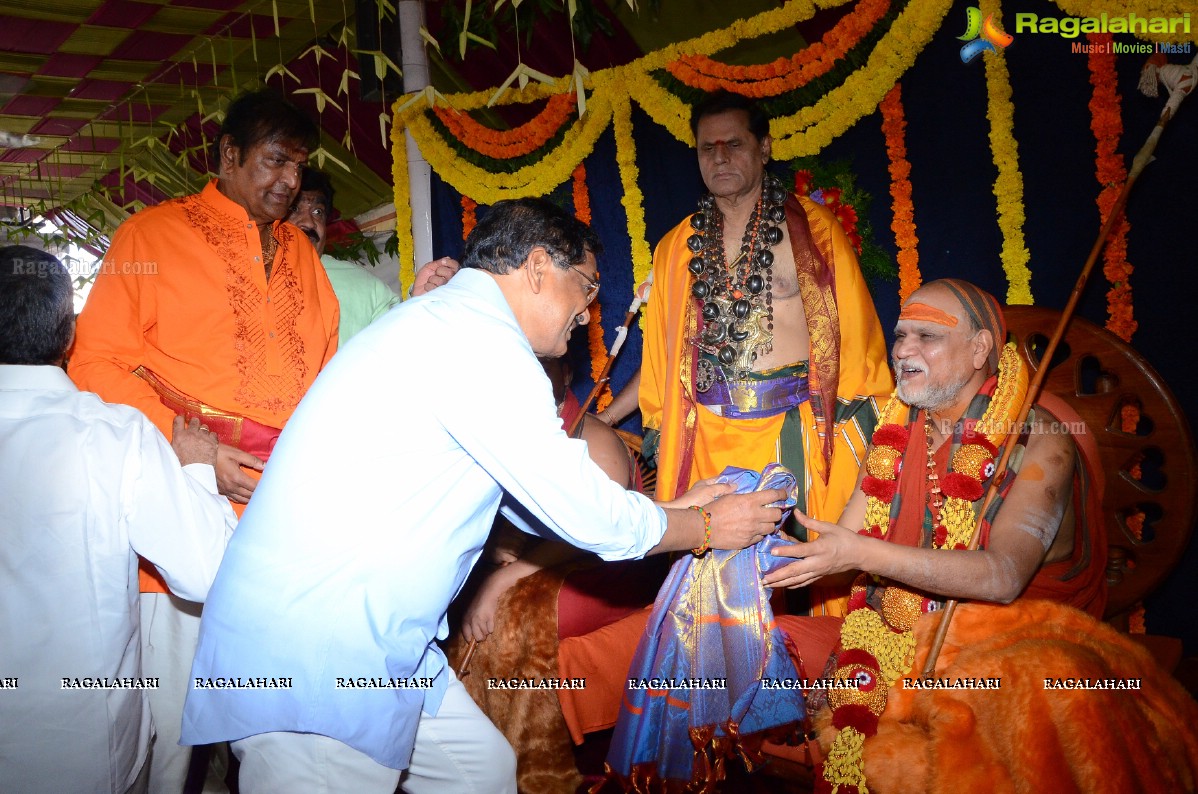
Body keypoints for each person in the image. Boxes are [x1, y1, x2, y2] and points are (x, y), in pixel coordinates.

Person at [179, 198, 786, 794]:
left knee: (480, 773)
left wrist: (680, 510)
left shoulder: (449, 327)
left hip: (383, 645)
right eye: (588, 289)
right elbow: (587, 515)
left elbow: (543, 506)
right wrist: (706, 529)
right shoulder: (480, 343)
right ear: (539, 267)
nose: (588, 314)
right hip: (319, 652)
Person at [760, 280, 1180, 792]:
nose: (903, 351)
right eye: (900, 335)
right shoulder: (896, 430)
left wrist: (863, 553)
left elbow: (1003, 578)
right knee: (753, 646)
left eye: (927, 336)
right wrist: (749, 555)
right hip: (899, 629)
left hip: (1016, 633)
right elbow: (840, 546)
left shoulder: (1042, 442)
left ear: (981, 349)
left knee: (1034, 689)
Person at [66, 88, 338, 793]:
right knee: (168, 734)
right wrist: (193, 455)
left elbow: (328, 379)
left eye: (299, 167)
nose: (288, 181)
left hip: (282, 522)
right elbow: (95, 362)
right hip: (180, 508)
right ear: (228, 154)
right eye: (275, 160)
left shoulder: (305, 258)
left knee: (279, 726)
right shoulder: (149, 237)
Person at [640, 91, 892, 615]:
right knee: (713, 595)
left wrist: (869, 430)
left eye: (734, 144)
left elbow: (858, 339)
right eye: (707, 148)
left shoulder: (816, 232)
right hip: (704, 434)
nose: (720, 157)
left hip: (792, 432)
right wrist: (657, 425)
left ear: (765, 148)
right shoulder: (675, 247)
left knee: (796, 581)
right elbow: (661, 358)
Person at [0, 246, 236, 794]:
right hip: (83, 744)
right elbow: (205, 571)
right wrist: (197, 472)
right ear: (69, 336)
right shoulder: (113, 434)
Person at [288, 169, 463, 346]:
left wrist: (418, 303)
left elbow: (394, 350)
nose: (309, 222)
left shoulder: (364, 285)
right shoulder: (258, 274)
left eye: (318, 212)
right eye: (294, 209)